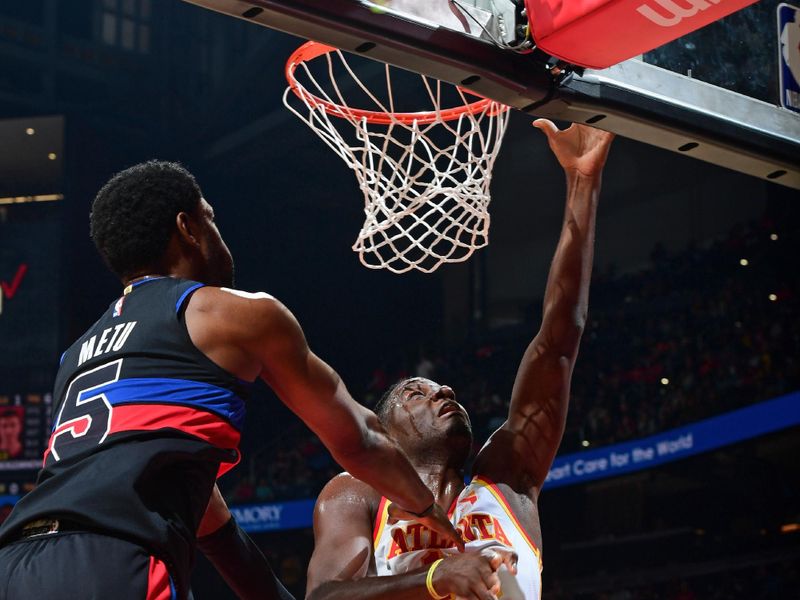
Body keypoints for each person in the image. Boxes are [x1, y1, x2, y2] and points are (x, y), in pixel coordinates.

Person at [0, 161, 462, 600]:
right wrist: (428, 511)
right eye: (211, 219)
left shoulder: (74, 356)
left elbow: (213, 527)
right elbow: (360, 439)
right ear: (188, 227)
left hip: (15, 560)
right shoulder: (233, 312)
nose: (220, 235)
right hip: (112, 559)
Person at [306, 120, 615, 600]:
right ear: (386, 434)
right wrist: (435, 577)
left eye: (440, 389)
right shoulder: (359, 492)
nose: (443, 391)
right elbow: (323, 596)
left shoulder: (509, 476)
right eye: (417, 394)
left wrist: (583, 181)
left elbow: (558, 341)